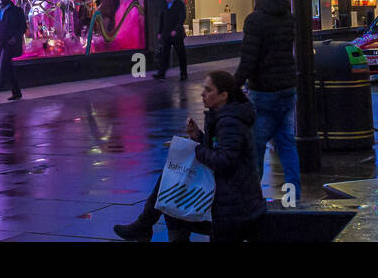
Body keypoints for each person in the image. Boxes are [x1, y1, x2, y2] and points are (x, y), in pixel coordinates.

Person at [113, 71, 268, 243]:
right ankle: (143, 224)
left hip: (233, 209)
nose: (202, 93)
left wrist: (195, 149)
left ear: (224, 95)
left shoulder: (229, 121)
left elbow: (224, 161)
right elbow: (221, 151)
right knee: (170, 192)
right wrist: (197, 137)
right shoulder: (225, 115)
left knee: (171, 196)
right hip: (229, 200)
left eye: (208, 90)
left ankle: (143, 224)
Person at [235, 0, 301, 198]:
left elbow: (248, 59)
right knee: (286, 144)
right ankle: (294, 194)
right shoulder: (288, 17)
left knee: (256, 146)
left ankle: (252, 197)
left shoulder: (255, 20)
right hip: (287, 87)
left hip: (263, 90)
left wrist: (233, 85)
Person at [0, 0, 27, 104]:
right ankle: (17, 92)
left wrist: (15, 37)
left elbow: (23, 27)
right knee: (7, 68)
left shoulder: (16, 11)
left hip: (10, 43)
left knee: (2, 67)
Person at [155, 0, 188, 80]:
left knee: (181, 54)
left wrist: (176, 30)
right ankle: (161, 73)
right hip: (166, 34)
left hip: (176, 34)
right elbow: (161, 19)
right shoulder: (164, 4)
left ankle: (183, 73)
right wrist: (159, 32)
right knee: (164, 54)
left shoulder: (179, 4)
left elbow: (181, 19)